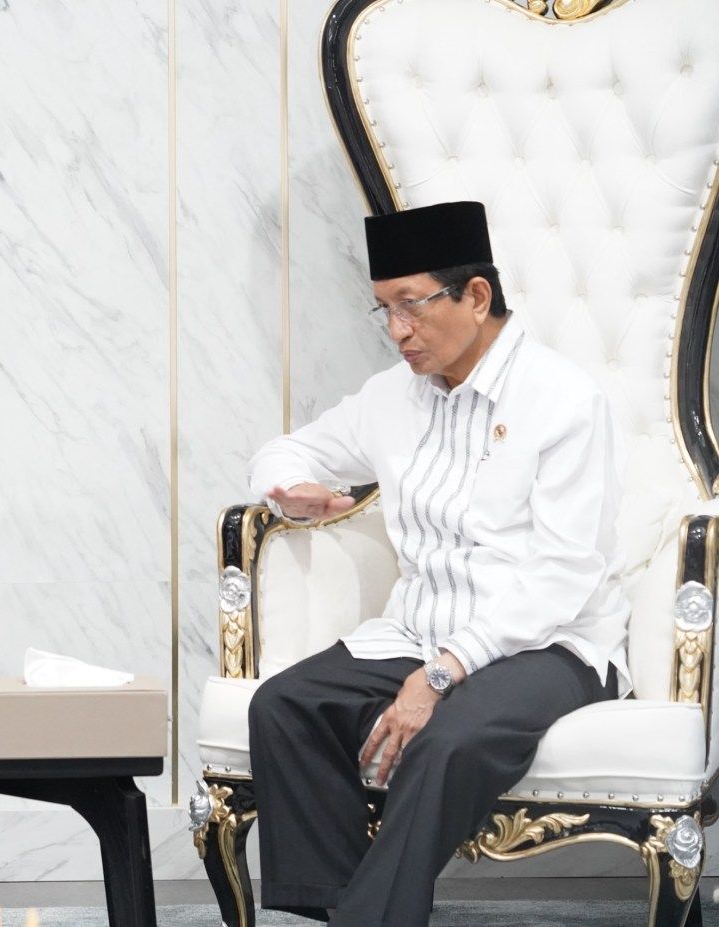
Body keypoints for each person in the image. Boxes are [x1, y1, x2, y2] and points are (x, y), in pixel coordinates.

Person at [245, 201, 627, 925]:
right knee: (284, 706)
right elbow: (283, 450)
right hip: (417, 631)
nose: (397, 331)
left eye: (411, 305)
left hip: (547, 643)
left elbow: (563, 573)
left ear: (476, 296)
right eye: (384, 310)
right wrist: (290, 490)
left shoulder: (563, 399)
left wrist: (443, 671)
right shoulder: (391, 398)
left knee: (448, 742)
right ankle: (350, 911)